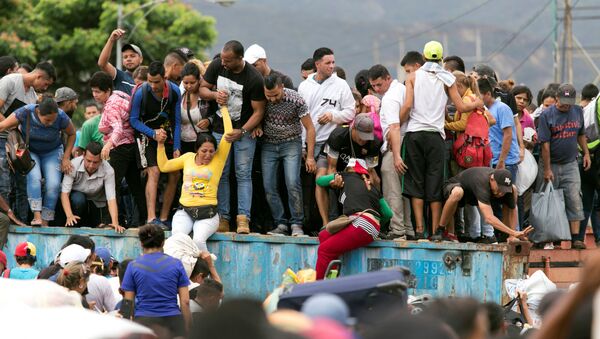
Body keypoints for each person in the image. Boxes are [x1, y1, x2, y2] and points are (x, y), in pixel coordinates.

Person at [400, 41, 483, 240]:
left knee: (416, 183)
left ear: (424, 57)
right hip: (436, 135)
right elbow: (462, 107)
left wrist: (396, 123)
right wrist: (478, 103)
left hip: (415, 134)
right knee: (435, 183)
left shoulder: (413, 76)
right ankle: (437, 230)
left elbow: (408, 105)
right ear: (441, 58)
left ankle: (419, 229)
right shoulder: (447, 78)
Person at [199, 40, 266, 234]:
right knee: (222, 173)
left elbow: (259, 111)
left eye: (228, 60)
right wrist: (214, 96)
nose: (224, 63)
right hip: (220, 129)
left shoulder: (254, 78)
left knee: (243, 174)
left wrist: (243, 131)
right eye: (222, 59)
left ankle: (243, 218)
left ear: (240, 58)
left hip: (243, 132)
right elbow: (203, 88)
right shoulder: (217, 64)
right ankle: (224, 218)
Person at [157, 106, 232, 252]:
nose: (208, 155)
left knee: (198, 240)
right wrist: (160, 145)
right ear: (196, 149)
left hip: (208, 214)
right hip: (185, 211)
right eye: (204, 151)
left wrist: (223, 108)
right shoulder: (187, 158)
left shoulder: (218, 160)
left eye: (211, 151)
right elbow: (164, 166)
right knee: (177, 239)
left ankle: (206, 272)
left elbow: (228, 133)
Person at [298, 47, 355, 228]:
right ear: (317, 65)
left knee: (333, 183)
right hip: (311, 143)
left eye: (333, 62)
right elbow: (300, 119)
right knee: (311, 185)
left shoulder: (341, 85)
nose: (332, 66)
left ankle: (335, 221)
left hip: (334, 143)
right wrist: (303, 146)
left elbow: (351, 112)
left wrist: (332, 115)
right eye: (328, 63)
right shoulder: (305, 86)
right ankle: (317, 224)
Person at [0, 96, 76, 226]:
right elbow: (2, 126)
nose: (51, 123)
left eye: (53, 120)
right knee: (34, 178)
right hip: (30, 151)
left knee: (53, 184)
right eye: (47, 120)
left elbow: (72, 134)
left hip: (53, 151)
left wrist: (66, 157)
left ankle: (46, 220)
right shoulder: (25, 112)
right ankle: (37, 216)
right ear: (38, 113)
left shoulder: (62, 116)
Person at [314, 158, 392, 280]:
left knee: (324, 250)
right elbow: (388, 213)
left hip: (361, 223)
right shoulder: (373, 188)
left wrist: (331, 178)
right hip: (371, 225)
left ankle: (316, 288)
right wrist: (378, 225)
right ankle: (331, 280)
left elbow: (320, 181)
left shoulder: (345, 176)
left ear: (349, 169)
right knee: (324, 236)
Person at [0, 61, 56, 222]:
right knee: (3, 183)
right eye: (45, 83)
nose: (45, 88)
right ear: (38, 76)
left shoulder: (32, 96)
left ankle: (22, 220)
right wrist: (10, 128)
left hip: (15, 143)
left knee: (22, 182)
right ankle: (4, 220)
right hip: (2, 138)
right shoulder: (10, 81)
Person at [261, 73, 316, 236]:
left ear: (282, 87)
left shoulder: (296, 99)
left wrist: (310, 155)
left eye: (275, 95)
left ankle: (297, 223)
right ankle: (280, 223)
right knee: (269, 185)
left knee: (292, 182)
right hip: (268, 144)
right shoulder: (262, 97)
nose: (272, 99)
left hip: (291, 143)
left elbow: (310, 128)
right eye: (268, 96)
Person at [537, 84, 590, 250]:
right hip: (550, 162)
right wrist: (547, 169)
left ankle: (576, 239)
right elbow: (545, 144)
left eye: (569, 102)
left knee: (574, 198)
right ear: (557, 98)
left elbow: (581, 134)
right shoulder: (547, 115)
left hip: (570, 162)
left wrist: (586, 153)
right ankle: (545, 237)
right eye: (563, 101)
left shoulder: (577, 111)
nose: (566, 105)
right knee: (547, 199)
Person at [129, 61, 182, 228]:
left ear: (164, 78)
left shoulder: (174, 91)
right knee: (154, 171)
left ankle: (164, 217)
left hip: (167, 134)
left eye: (156, 82)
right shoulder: (141, 92)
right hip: (146, 134)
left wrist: (177, 147)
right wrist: (153, 133)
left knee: (174, 173)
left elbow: (177, 121)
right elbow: (133, 120)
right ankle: (151, 218)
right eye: (149, 81)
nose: (152, 86)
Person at [91, 70, 147, 227]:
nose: (95, 95)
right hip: (131, 147)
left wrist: (109, 145)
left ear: (107, 90)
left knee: (111, 185)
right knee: (135, 187)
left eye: (98, 91)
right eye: (93, 91)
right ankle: (144, 220)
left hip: (120, 148)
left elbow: (118, 129)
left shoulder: (112, 105)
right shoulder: (119, 95)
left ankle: (113, 221)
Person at [121, 224, 191, 337]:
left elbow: (128, 302)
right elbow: (185, 302)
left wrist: (127, 328)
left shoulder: (133, 266)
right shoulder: (176, 264)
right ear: (163, 242)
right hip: (173, 322)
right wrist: (188, 328)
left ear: (141, 243)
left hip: (143, 322)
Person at [369, 64, 412, 240]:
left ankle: (397, 229)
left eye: (379, 84)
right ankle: (407, 228)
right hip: (405, 141)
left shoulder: (391, 97)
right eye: (374, 86)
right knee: (404, 189)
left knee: (392, 189)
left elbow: (394, 126)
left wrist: (395, 156)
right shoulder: (401, 89)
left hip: (395, 142)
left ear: (388, 78)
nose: (377, 89)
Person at [438, 167, 533, 242]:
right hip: (455, 189)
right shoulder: (482, 181)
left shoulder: (508, 189)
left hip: (473, 196)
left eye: (504, 190)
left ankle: (505, 237)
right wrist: (514, 232)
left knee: (513, 191)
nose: (501, 193)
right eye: (500, 188)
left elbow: (512, 209)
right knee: (458, 192)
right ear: (492, 179)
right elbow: (489, 218)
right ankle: (440, 229)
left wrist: (512, 236)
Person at [60, 141, 122, 231]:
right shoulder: (73, 165)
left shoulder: (108, 170)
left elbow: (111, 198)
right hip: (76, 200)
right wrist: (69, 216)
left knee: (101, 225)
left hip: (96, 202)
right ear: (84, 155)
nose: (91, 165)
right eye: (88, 161)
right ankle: (72, 223)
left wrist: (115, 223)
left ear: (101, 159)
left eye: (95, 162)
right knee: (79, 199)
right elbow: (65, 193)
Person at [97, 28, 143, 94]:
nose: (128, 59)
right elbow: (102, 64)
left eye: (132, 56)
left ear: (141, 59)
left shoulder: (149, 78)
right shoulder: (120, 76)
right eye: (125, 57)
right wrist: (111, 40)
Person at [180, 62, 211, 153]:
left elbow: (218, 113)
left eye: (192, 82)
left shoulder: (206, 96)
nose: (189, 86)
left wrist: (209, 120)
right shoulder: (179, 96)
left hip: (202, 145)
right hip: (183, 144)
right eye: (185, 83)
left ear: (199, 80)